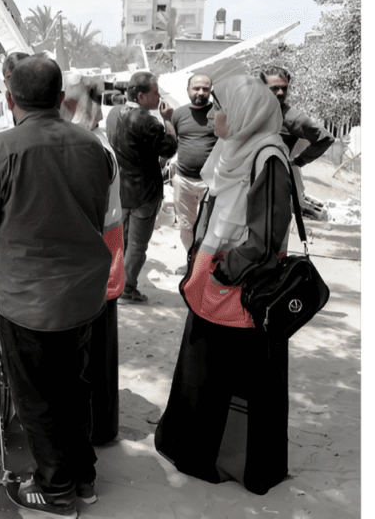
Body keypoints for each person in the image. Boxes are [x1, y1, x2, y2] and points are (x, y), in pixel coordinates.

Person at [0, 56, 113, 517]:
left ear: (9, 99)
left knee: (37, 397)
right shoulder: (92, 145)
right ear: (60, 98)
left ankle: (55, 489)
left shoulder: (3, 148)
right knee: (73, 387)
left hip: (30, 298)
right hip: (83, 295)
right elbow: (100, 212)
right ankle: (82, 477)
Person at [154, 75, 293, 496]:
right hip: (215, 278)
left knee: (229, 375)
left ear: (245, 114)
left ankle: (224, 460)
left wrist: (221, 273)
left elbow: (264, 240)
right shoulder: (232, 149)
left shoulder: (268, 157)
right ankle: (189, 447)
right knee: (202, 368)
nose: (212, 114)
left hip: (241, 288)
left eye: (220, 108)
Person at [60, 80, 125, 448]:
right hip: (100, 256)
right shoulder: (96, 142)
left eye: (66, 104)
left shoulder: (92, 147)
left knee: (93, 351)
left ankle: (96, 428)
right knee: (99, 348)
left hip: (93, 259)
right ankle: (100, 424)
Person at [107, 70, 177, 304]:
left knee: (122, 242)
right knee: (137, 245)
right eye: (155, 93)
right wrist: (168, 120)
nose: (158, 97)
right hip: (145, 192)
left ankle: (115, 284)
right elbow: (168, 149)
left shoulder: (113, 113)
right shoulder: (147, 121)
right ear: (140, 96)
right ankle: (127, 290)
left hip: (121, 190)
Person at [170, 74, 218, 264]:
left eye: (205, 89)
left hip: (211, 183)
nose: (201, 92)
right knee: (185, 225)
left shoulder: (218, 114)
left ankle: (206, 265)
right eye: (196, 88)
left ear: (211, 91)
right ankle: (193, 263)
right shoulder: (178, 114)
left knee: (211, 226)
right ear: (188, 90)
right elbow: (171, 142)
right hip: (183, 180)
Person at [260, 65, 335, 171]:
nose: (281, 92)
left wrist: (299, 161)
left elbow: (326, 138)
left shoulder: (293, 117)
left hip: (272, 176)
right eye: (275, 88)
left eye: (284, 88)